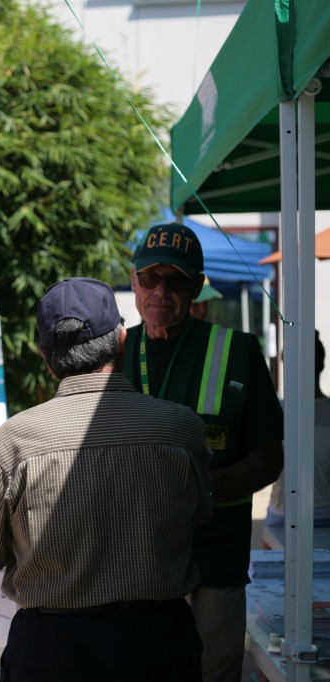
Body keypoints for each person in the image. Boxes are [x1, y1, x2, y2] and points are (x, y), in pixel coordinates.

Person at [0, 277, 213, 681]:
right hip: (160, 642)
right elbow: (202, 515)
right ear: (121, 339)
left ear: (45, 356)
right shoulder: (181, 428)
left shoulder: (11, 442)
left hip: (51, 649)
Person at [123, 222, 284, 682]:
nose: (161, 290)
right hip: (132, 565)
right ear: (134, 281)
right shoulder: (114, 352)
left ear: (197, 285)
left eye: (175, 279)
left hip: (213, 563)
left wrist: (207, 486)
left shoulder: (238, 351)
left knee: (212, 674)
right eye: (150, 277)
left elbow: (270, 455)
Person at [267, 331, 330, 526]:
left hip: (284, 513)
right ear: (321, 364)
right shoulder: (277, 410)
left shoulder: (276, 411)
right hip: (314, 512)